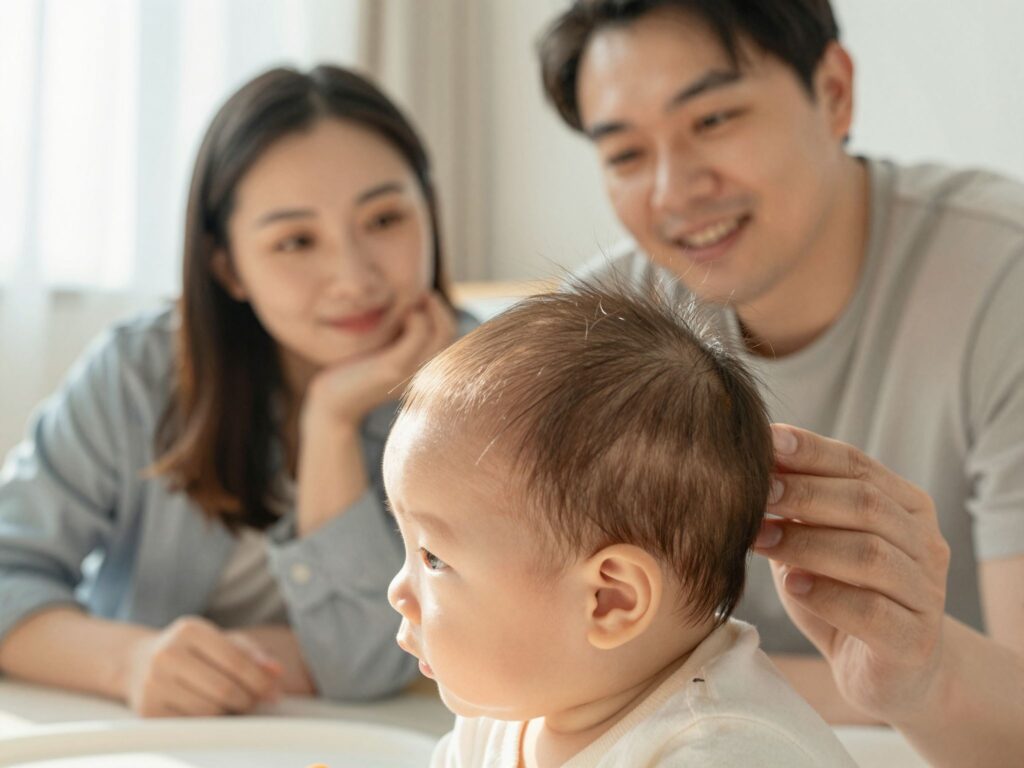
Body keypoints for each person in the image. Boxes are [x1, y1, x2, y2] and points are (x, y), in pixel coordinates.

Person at [537, 1, 1024, 765]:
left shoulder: (1003, 281)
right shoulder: (601, 329)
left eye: (714, 119)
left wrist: (917, 675)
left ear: (834, 92)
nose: (674, 190)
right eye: (626, 154)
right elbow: (541, 654)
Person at [0, 65, 470, 717]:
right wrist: (131, 660)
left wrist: (331, 421)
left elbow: (367, 660)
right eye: (296, 240)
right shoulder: (141, 370)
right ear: (228, 267)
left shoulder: (492, 388)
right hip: (146, 741)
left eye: (385, 218)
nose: (353, 276)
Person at [385, 280, 857, 767]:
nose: (397, 592)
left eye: (433, 558)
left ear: (610, 599)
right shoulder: (510, 704)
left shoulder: (722, 753)